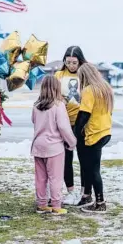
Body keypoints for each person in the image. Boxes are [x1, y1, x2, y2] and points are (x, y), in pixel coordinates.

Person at [31, 75, 77, 215]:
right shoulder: (58, 105)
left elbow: (34, 121)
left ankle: (42, 204)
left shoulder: (36, 105)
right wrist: (72, 142)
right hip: (54, 147)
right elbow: (63, 127)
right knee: (55, 177)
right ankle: (56, 205)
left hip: (38, 146)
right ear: (57, 88)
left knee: (41, 177)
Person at [74, 63, 114, 213]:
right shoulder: (105, 88)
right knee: (89, 166)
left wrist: (75, 132)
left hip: (94, 134)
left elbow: (84, 114)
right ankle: (88, 196)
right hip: (105, 132)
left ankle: (100, 203)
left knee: (93, 170)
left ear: (83, 76)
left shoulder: (89, 90)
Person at [54, 46, 87, 205]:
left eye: (74, 62)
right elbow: (52, 95)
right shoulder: (59, 75)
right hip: (64, 122)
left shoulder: (85, 75)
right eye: (68, 62)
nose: (71, 66)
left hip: (82, 122)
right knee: (66, 158)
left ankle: (84, 192)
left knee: (84, 158)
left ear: (80, 61)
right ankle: (71, 191)